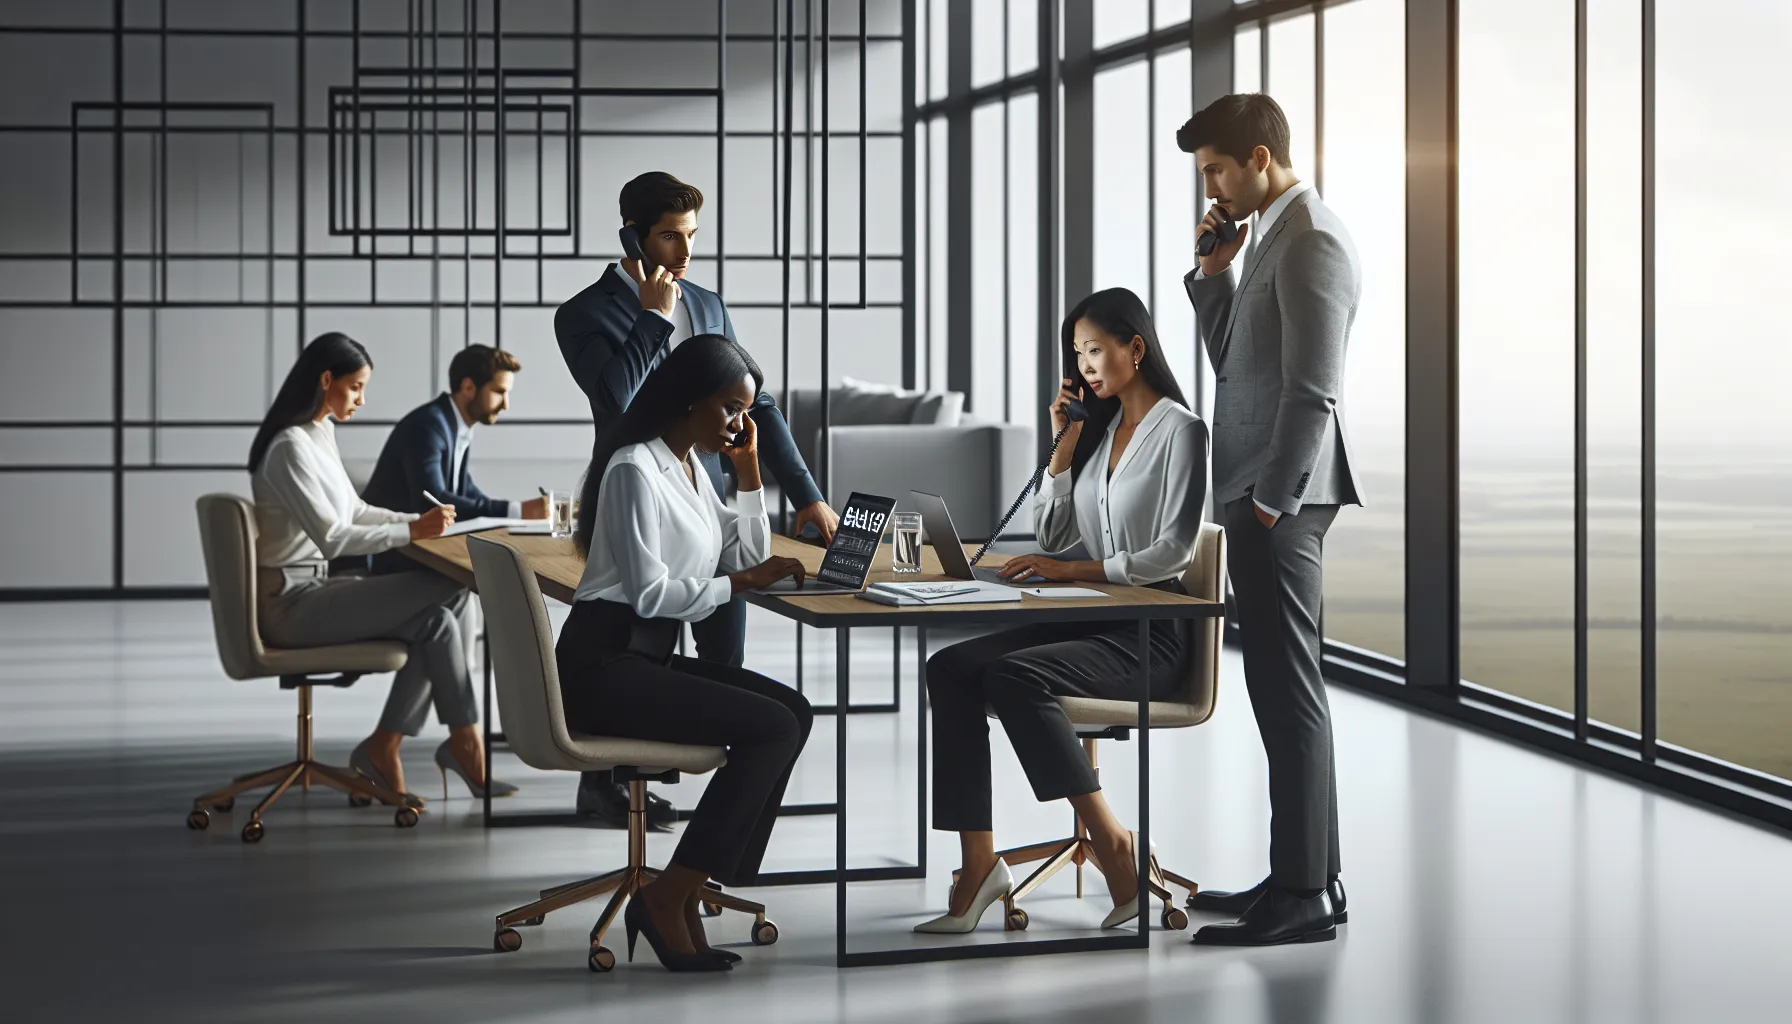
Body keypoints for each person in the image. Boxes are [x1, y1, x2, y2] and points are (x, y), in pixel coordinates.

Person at [916, 288, 1209, 934]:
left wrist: (1071, 572)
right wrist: (1065, 444)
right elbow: (1052, 536)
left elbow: (1174, 551)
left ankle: (1114, 843)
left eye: (1095, 350)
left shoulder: (1182, 432)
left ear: (1136, 347)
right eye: (1078, 354)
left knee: (1014, 675)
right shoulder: (1100, 437)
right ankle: (979, 864)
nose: (1086, 366)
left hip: (1154, 634)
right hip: (1097, 617)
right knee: (950, 668)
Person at [555, 170, 838, 828]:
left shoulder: (708, 305)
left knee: (723, 664)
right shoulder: (583, 314)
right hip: (639, 495)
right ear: (633, 237)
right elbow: (619, 398)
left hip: (704, 493)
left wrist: (805, 494)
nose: (684, 252)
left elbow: (754, 401)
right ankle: (607, 785)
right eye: (669, 237)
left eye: (691, 236)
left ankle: (721, 814)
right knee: (636, 637)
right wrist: (653, 319)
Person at [558, 333, 814, 971]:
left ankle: (691, 884)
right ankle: (672, 894)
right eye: (730, 408)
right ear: (690, 400)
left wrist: (749, 474)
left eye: (745, 411)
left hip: (642, 659)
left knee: (794, 712)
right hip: (602, 666)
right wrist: (740, 584)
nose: (738, 424)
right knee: (773, 728)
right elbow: (651, 595)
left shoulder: (690, 467)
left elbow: (745, 553)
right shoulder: (633, 468)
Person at [1178, 93, 1363, 946]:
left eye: (1216, 169)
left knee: (1288, 694)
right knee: (1286, 690)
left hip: (1279, 501)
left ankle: (1302, 892)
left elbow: (1312, 390)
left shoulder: (1312, 237)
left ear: (1259, 157)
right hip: (1262, 494)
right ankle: (1310, 876)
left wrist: (1267, 501)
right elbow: (1236, 365)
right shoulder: (1270, 238)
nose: (1209, 187)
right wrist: (1215, 274)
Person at [247, 332, 515, 806]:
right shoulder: (289, 447)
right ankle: (464, 743)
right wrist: (411, 532)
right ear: (326, 380)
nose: (362, 399)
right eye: (355, 387)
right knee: (454, 584)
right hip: (290, 604)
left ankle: (387, 745)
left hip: (314, 588)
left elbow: (357, 510)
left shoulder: (318, 434)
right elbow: (334, 537)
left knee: (437, 623)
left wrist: (415, 522)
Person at [361, 344, 548, 570]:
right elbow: (432, 500)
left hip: (416, 552)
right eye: (499, 392)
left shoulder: (453, 425)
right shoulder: (429, 426)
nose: (506, 405)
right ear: (468, 387)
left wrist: (516, 512)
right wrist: (517, 511)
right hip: (385, 559)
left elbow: (465, 492)